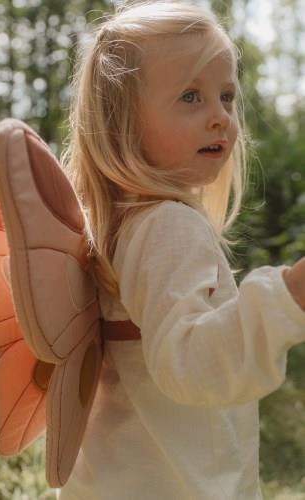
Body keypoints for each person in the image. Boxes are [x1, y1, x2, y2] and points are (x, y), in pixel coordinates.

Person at [55, 1, 305, 498]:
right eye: (191, 96)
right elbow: (188, 363)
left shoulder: (129, 227)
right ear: (122, 124)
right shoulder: (167, 225)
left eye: (227, 96)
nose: (220, 118)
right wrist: (289, 295)